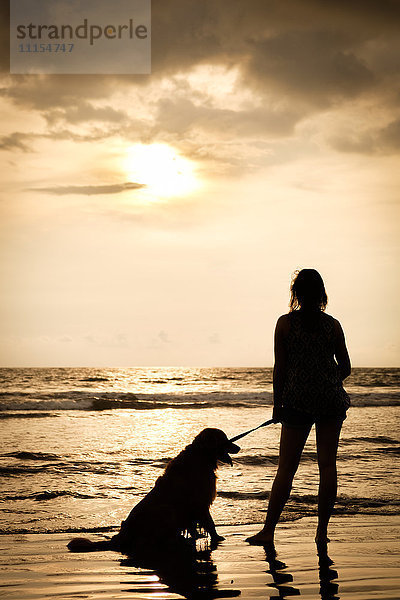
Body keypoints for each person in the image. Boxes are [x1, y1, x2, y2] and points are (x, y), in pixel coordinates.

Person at [246, 269, 351, 547]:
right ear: (321, 294)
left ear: (296, 293)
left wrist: (276, 406)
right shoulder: (333, 325)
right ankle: (322, 532)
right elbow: (347, 367)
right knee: (327, 465)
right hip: (330, 400)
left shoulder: (285, 324)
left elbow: (279, 370)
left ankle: (269, 530)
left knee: (286, 468)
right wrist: (326, 381)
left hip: (296, 402)